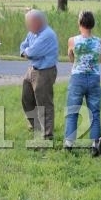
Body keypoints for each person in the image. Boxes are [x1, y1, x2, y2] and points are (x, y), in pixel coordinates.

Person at [64, 11, 101, 155]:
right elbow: (100, 59)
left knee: (73, 110)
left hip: (77, 77)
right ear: (92, 23)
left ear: (80, 23)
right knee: (95, 112)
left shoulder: (72, 40)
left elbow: (70, 57)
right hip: (94, 77)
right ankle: (95, 144)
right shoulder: (98, 41)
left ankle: (69, 143)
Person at [19, 10, 59, 140]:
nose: (27, 26)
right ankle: (35, 125)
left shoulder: (47, 35)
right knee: (26, 98)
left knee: (44, 102)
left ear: (38, 22)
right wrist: (26, 51)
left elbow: (32, 52)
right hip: (32, 69)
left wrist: (27, 52)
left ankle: (47, 135)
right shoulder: (32, 32)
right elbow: (23, 46)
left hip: (44, 71)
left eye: (29, 23)